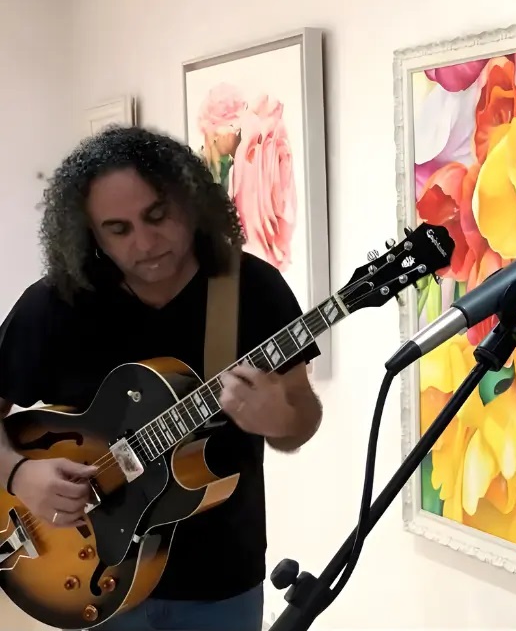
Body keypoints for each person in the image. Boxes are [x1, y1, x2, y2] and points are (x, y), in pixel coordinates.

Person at [0, 126, 324, 630]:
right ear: (90, 234)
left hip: (221, 581)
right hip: (91, 580)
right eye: (118, 229)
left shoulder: (251, 289)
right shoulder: (55, 305)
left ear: (191, 202)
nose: (146, 243)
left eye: (157, 216)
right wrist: (18, 473)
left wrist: (280, 418)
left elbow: (301, 419)